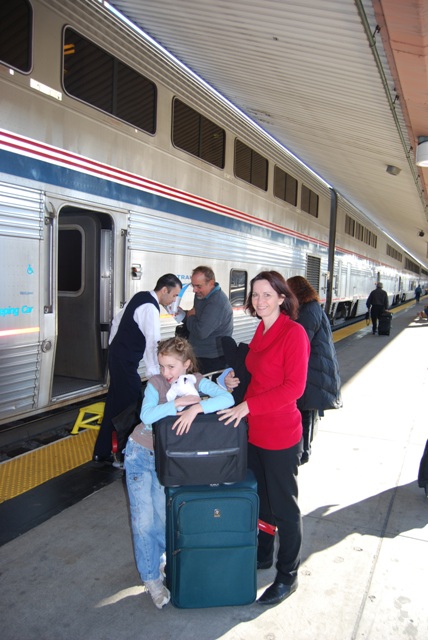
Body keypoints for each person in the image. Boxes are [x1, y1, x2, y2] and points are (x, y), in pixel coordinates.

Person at [218, 271, 310, 606]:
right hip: (254, 429)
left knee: (284, 507)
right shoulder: (260, 328)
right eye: (255, 295)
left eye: (267, 295)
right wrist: (231, 379)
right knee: (262, 500)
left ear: (283, 298)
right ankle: (263, 554)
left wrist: (247, 405)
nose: (260, 301)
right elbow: (253, 372)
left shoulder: (293, 333)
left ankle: (288, 575)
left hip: (281, 435)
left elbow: (293, 388)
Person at [124, 336, 234, 609]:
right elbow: (147, 416)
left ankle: (161, 563)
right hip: (140, 454)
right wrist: (175, 404)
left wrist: (196, 407)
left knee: (164, 517)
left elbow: (227, 397)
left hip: (167, 459)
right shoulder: (156, 384)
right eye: (162, 366)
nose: (166, 373)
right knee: (143, 521)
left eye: (171, 367)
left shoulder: (196, 380)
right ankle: (151, 578)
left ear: (186, 365)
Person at [93, 274, 182, 463]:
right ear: (164, 290)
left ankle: (102, 451)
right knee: (132, 407)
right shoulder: (150, 308)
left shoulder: (140, 296)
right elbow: (153, 343)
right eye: (174, 295)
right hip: (125, 362)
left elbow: (116, 322)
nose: (174, 300)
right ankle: (127, 455)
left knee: (114, 405)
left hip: (119, 358)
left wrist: (115, 347)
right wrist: (156, 376)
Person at [287, 276, 342, 464]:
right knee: (305, 410)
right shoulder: (310, 308)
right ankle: (303, 450)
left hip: (313, 369)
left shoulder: (309, 310)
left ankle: (304, 452)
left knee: (305, 410)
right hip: (314, 367)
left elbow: (301, 340)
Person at [179, 266, 233, 375]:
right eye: (193, 286)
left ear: (211, 283)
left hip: (211, 359)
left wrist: (190, 317)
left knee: (205, 391)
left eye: (198, 286)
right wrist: (182, 314)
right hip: (200, 354)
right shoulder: (201, 295)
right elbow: (197, 318)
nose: (194, 290)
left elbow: (201, 331)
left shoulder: (217, 302)